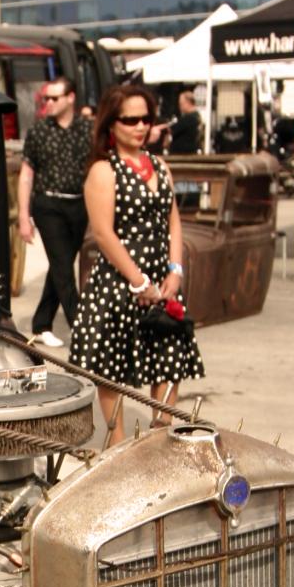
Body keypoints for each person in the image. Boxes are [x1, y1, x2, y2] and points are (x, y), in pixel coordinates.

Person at [70, 83, 204, 444]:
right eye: (130, 120)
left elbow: (173, 222)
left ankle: (163, 440)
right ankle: (117, 447)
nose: (140, 126)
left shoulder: (160, 165)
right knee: (112, 366)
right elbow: (103, 233)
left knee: (170, 360)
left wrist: (175, 269)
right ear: (111, 124)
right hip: (118, 282)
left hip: (162, 281)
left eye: (146, 119)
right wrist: (138, 281)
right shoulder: (103, 170)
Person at [17, 76, 93, 348]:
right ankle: (82, 330)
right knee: (63, 267)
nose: (48, 103)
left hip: (79, 205)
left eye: (54, 98)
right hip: (48, 205)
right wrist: (23, 216)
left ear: (70, 98)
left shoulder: (87, 129)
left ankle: (41, 323)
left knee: (60, 266)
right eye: (45, 98)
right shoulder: (39, 131)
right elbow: (26, 174)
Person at [166, 89, 204, 155]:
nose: (180, 107)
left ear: (188, 103)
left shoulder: (190, 118)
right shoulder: (196, 116)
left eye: (181, 104)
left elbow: (171, 129)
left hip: (183, 154)